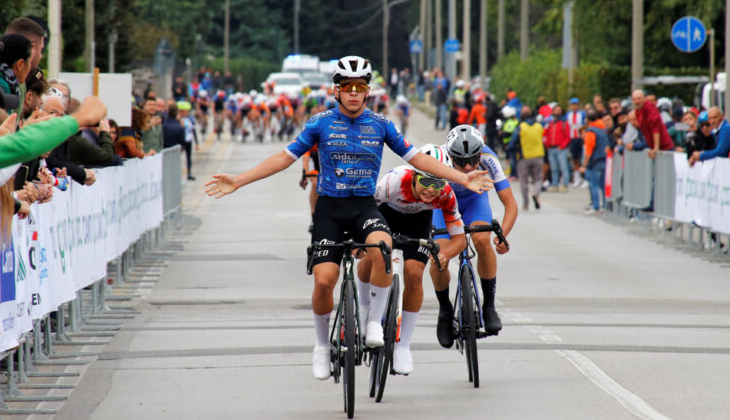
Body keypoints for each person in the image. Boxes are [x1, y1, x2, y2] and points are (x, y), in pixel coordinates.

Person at [204, 56, 493, 381]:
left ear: (367, 91)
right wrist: (239, 180)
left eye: (360, 88)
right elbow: (283, 159)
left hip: (364, 208)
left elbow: (418, 159)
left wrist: (461, 177)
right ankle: (321, 347)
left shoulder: (381, 124)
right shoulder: (319, 123)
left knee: (383, 248)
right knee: (324, 281)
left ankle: (373, 323)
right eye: (347, 88)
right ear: (336, 91)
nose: (354, 93)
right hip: (330, 208)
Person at [359, 144, 467, 374]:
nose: (431, 189)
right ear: (414, 176)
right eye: (426, 182)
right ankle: (365, 309)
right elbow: (365, 211)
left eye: (437, 183)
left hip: (418, 222)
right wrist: (360, 243)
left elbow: (460, 239)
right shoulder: (394, 182)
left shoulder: (446, 195)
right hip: (385, 214)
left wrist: (445, 255)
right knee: (371, 256)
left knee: (414, 273)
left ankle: (403, 346)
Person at [431, 125, 518, 348]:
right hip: (442, 205)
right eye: (461, 162)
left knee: (482, 239)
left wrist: (503, 236)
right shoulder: (438, 158)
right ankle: (444, 310)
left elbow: (510, 204)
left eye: (473, 160)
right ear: (450, 156)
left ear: (481, 153)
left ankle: (489, 305)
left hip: (474, 201)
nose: (469, 167)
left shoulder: (489, 158)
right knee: (440, 255)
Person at [508, 106, 545, 210]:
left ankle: (526, 203)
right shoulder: (539, 126)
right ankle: (536, 193)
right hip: (538, 156)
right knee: (538, 178)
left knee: (524, 181)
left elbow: (513, 142)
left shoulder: (520, 127)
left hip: (523, 157)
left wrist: (510, 151)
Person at [579, 110, 610, 215]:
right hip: (604, 159)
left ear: (587, 120)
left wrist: (584, 165)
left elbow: (589, 149)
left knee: (594, 185)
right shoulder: (602, 130)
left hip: (595, 161)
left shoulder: (591, 131)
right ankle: (605, 206)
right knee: (602, 185)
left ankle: (596, 207)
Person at [632, 90, 673, 159]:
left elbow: (655, 128)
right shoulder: (637, 111)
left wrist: (656, 148)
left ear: (644, 99)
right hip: (654, 147)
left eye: (639, 98)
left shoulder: (650, 109)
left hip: (664, 147)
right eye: (635, 99)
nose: (637, 101)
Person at [544, 104, 570, 192]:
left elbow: (567, 136)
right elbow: (546, 134)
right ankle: (554, 184)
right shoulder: (550, 123)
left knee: (563, 167)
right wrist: (547, 145)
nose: (557, 112)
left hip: (560, 148)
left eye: (559, 110)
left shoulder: (563, 122)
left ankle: (564, 184)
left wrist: (562, 146)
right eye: (556, 110)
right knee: (554, 168)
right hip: (551, 148)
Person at [566, 97, 586, 186]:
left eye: (575, 105)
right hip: (572, 138)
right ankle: (576, 178)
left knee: (583, 157)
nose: (574, 107)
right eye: (572, 105)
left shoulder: (582, 114)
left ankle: (584, 178)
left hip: (580, 138)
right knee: (575, 159)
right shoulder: (568, 115)